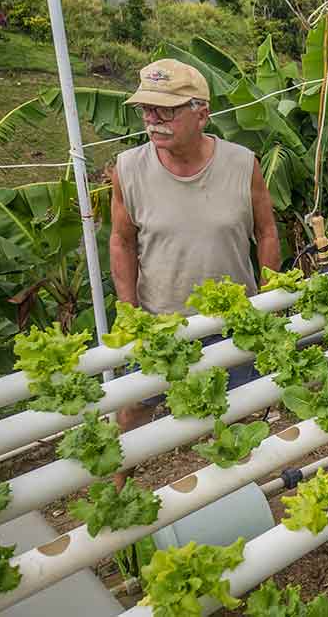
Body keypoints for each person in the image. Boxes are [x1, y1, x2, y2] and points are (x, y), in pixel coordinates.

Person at [109, 59, 281, 437]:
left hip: (232, 322)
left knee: (238, 412)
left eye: (165, 109)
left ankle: (235, 485)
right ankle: (117, 490)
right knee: (134, 411)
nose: (153, 118)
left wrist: (270, 302)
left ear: (201, 113)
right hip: (159, 323)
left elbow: (266, 231)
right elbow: (121, 240)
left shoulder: (241, 164)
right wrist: (128, 311)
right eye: (146, 108)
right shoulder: (128, 169)